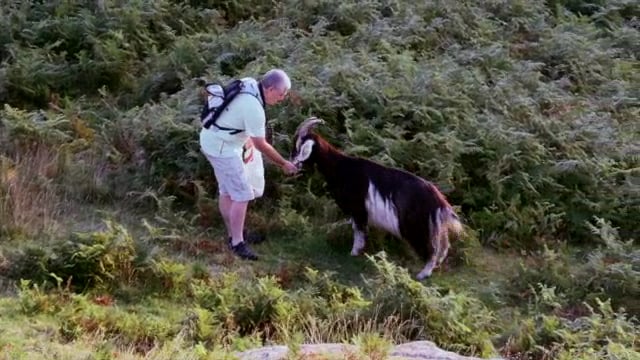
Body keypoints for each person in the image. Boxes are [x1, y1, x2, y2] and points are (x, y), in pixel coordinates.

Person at [199, 68, 298, 260]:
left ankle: (234, 235)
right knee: (242, 194)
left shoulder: (250, 84)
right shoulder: (254, 107)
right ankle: (238, 243)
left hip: (213, 140)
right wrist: (284, 163)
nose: (282, 98)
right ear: (269, 89)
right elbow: (262, 144)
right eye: (281, 94)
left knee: (227, 191)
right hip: (222, 149)